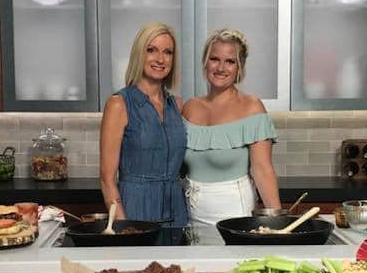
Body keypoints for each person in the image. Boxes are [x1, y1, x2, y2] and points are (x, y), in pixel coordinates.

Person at [182, 28, 280, 225]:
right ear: (205, 62)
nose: (221, 67)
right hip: (191, 216)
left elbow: (263, 170)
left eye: (230, 61)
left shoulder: (251, 107)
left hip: (235, 213)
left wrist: (278, 224)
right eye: (214, 59)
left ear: (239, 67)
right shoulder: (190, 108)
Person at [99, 22, 188, 226]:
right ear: (140, 54)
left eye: (168, 52)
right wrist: (123, 227)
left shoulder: (177, 105)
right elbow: (107, 178)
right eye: (151, 50)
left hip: (177, 212)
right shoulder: (119, 104)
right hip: (135, 210)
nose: (160, 59)